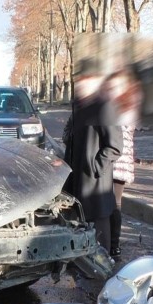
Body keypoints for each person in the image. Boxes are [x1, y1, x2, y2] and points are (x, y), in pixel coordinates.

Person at [62, 63, 123, 255]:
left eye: (84, 80)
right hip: (75, 177)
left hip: (94, 180)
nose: (80, 84)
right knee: (78, 221)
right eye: (78, 80)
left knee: (98, 226)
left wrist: (96, 167)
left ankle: (101, 265)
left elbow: (114, 145)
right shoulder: (79, 106)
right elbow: (69, 135)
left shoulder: (104, 106)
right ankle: (82, 264)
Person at [104, 70, 142, 262]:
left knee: (113, 204)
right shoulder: (126, 105)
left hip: (116, 160)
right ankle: (113, 246)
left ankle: (112, 245)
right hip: (121, 161)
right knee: (114, 203)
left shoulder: (120, 108)